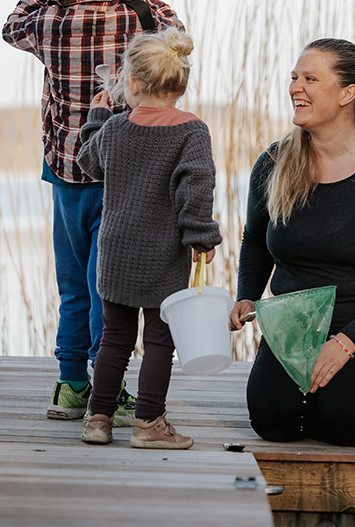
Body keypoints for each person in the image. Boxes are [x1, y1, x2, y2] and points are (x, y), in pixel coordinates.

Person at [2, 0, 183, 425]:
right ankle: (111, 387)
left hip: (65, 170)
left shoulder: (50, 22)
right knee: (109, 286)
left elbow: (11, 23)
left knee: (73, 283)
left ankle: (71, 386)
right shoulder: (136, 21)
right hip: (122, 173)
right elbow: (174, 29)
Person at [229, 38, 355, 447]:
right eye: (294, 78)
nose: (295, 88)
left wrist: (344, 344)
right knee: (273, 422)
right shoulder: (273, 163)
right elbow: (254, 240)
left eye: (310, 79)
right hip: (296, 327)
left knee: (346, 420)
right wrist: (247, 296)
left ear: (346, 94)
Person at [75, 27, 221, 449]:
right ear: (179, 83)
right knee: (159, 340)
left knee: (114, 339)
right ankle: (148, 424)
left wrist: (98, 118)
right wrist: (201, 237)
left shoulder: (117, 127)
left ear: (133, 84)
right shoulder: (192, 130)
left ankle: (98, 419)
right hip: (164, 253)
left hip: (117, 249)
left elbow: (89, 163)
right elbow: (196, 186)